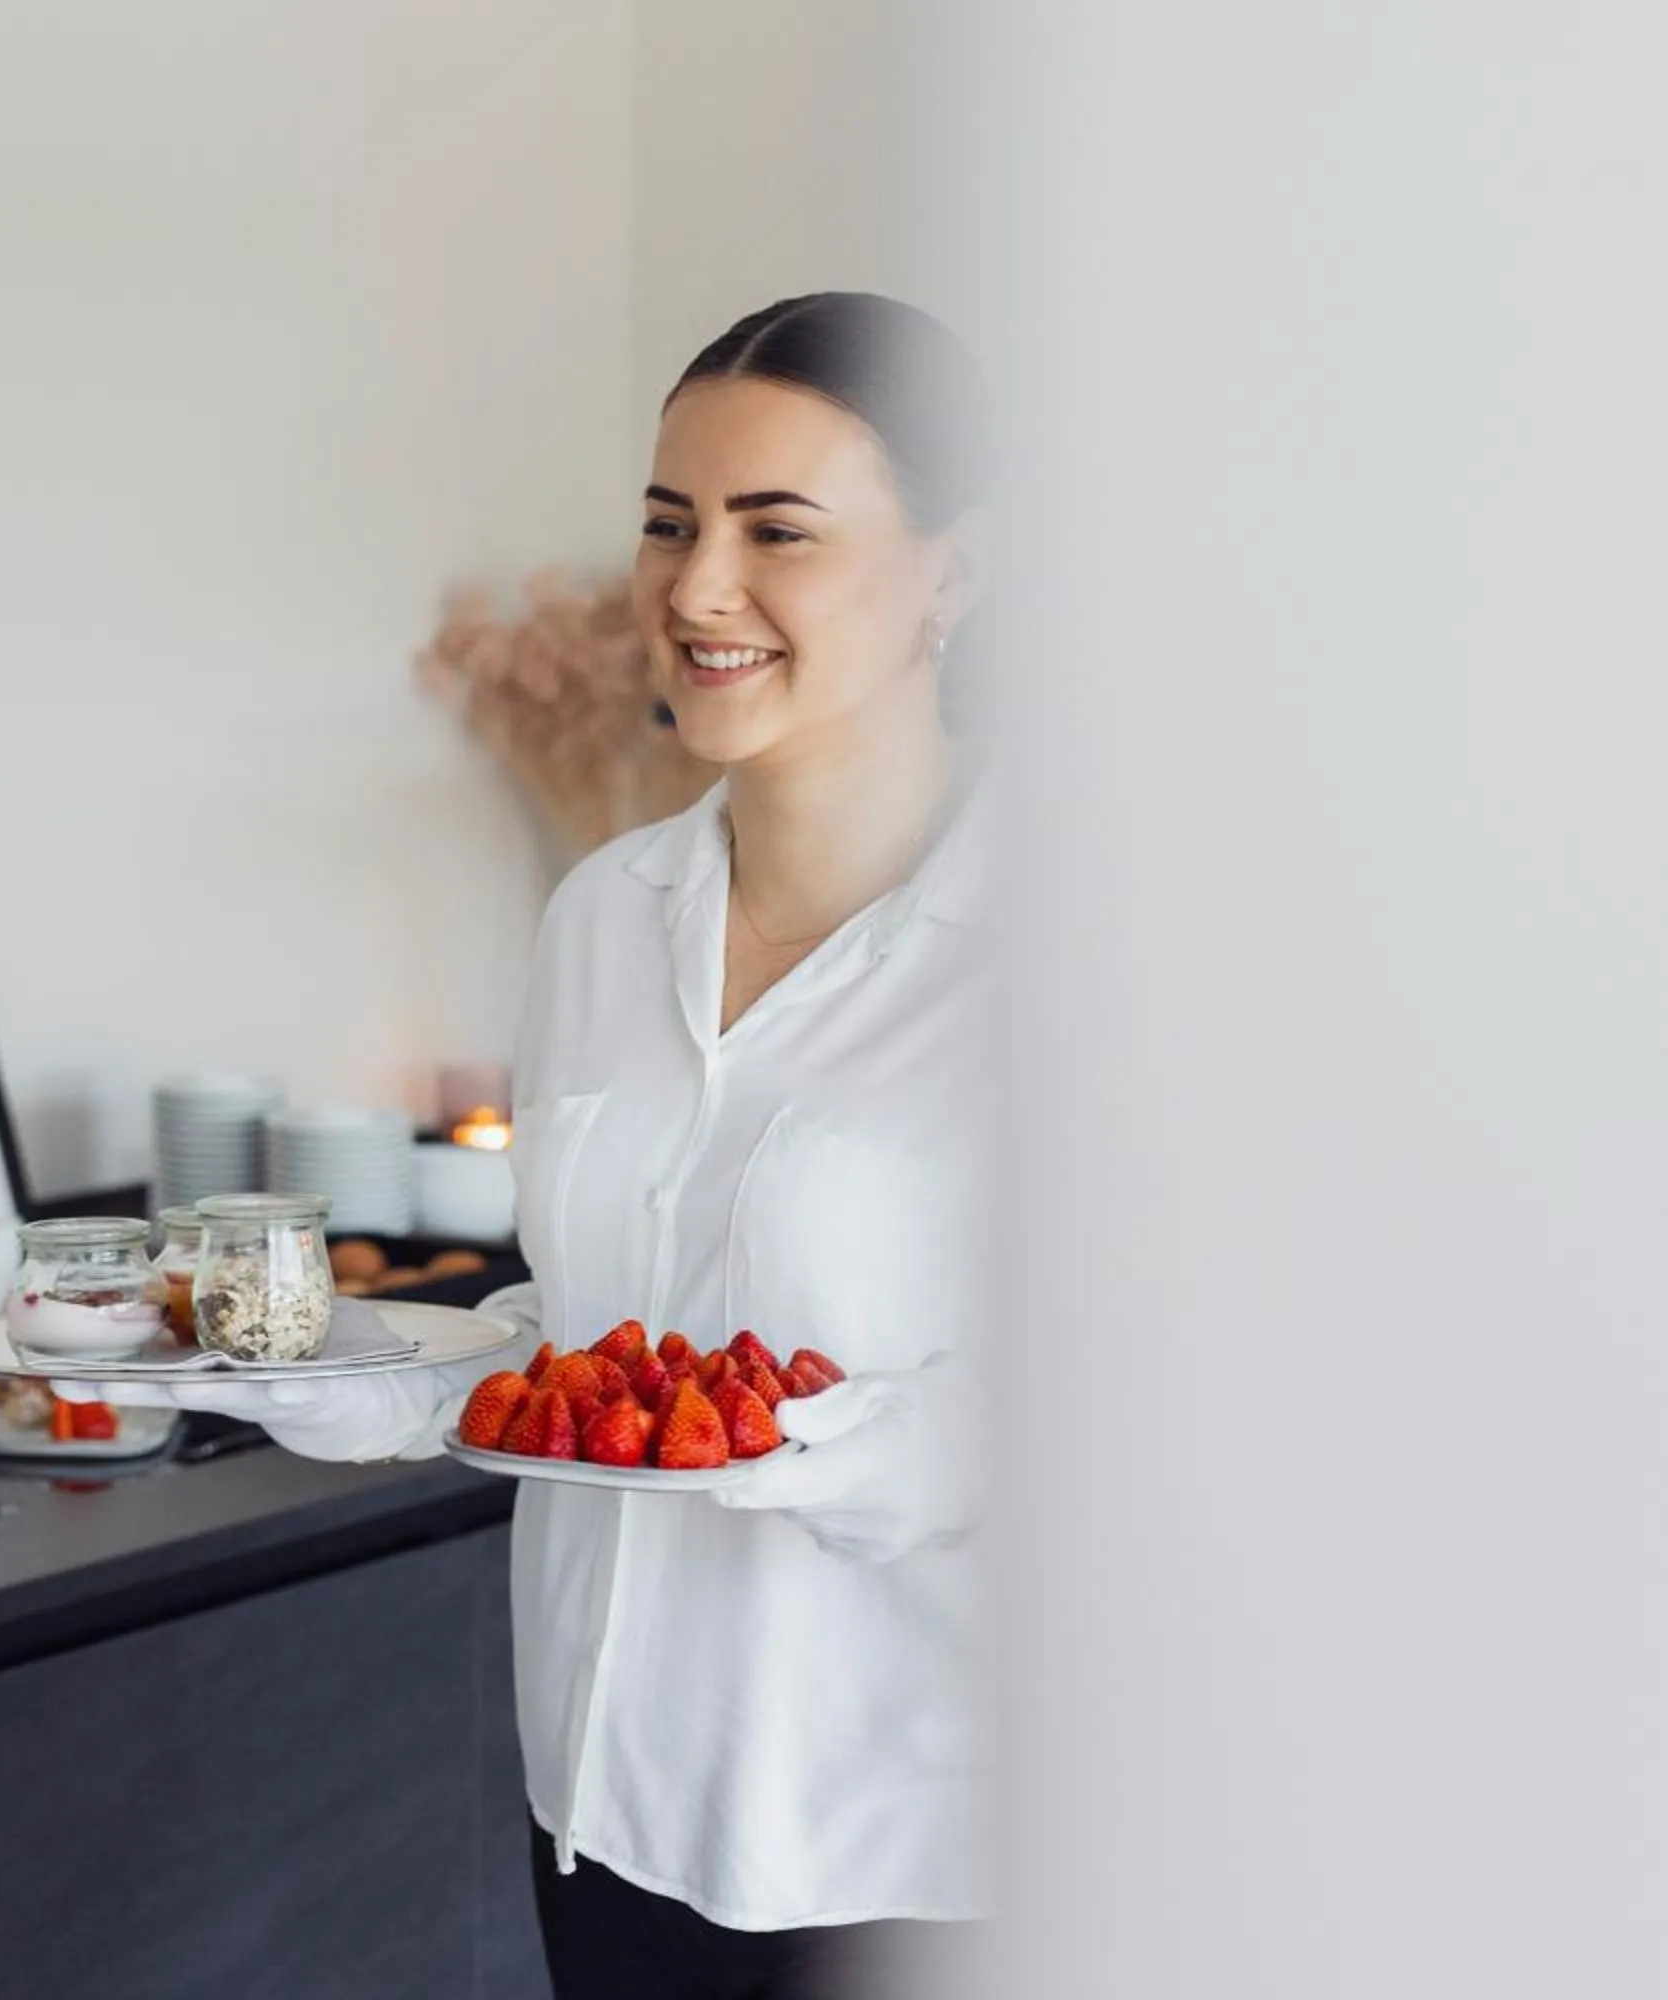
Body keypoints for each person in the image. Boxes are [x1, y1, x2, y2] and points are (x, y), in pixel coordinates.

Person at [85, 293, 1000, 1998]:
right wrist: (388, 1380)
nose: (697, 588)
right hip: (605, 1808)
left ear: (954, 570)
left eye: (776, 530)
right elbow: (587, 1331)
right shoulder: (603, 916)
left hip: (918, 1854)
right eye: (669, 524)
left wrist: (800, 1451)